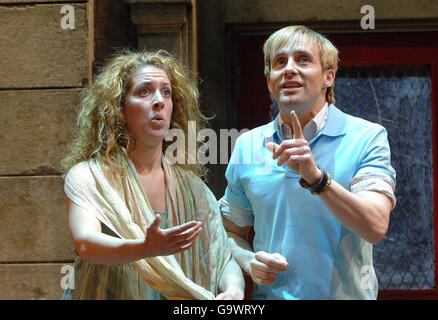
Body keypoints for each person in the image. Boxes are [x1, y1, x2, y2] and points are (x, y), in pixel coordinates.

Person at [219, 25, 396, 299]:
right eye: (280, 62)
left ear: (328, 76)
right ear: (269, 82)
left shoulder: (367, 137)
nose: (289, 69)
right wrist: (247, 260)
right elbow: (230, 233)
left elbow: (374, 227)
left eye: (303, 59)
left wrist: (317, 179)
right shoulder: (248, 145)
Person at [61, 49, 244, 300]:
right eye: (144, 91)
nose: (159, 101)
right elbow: (86, 244)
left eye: (166, 92)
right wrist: (145, 248)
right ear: (118, 107)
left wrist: (234, 289)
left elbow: (223, 258)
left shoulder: (192, 188)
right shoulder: (89, 176)